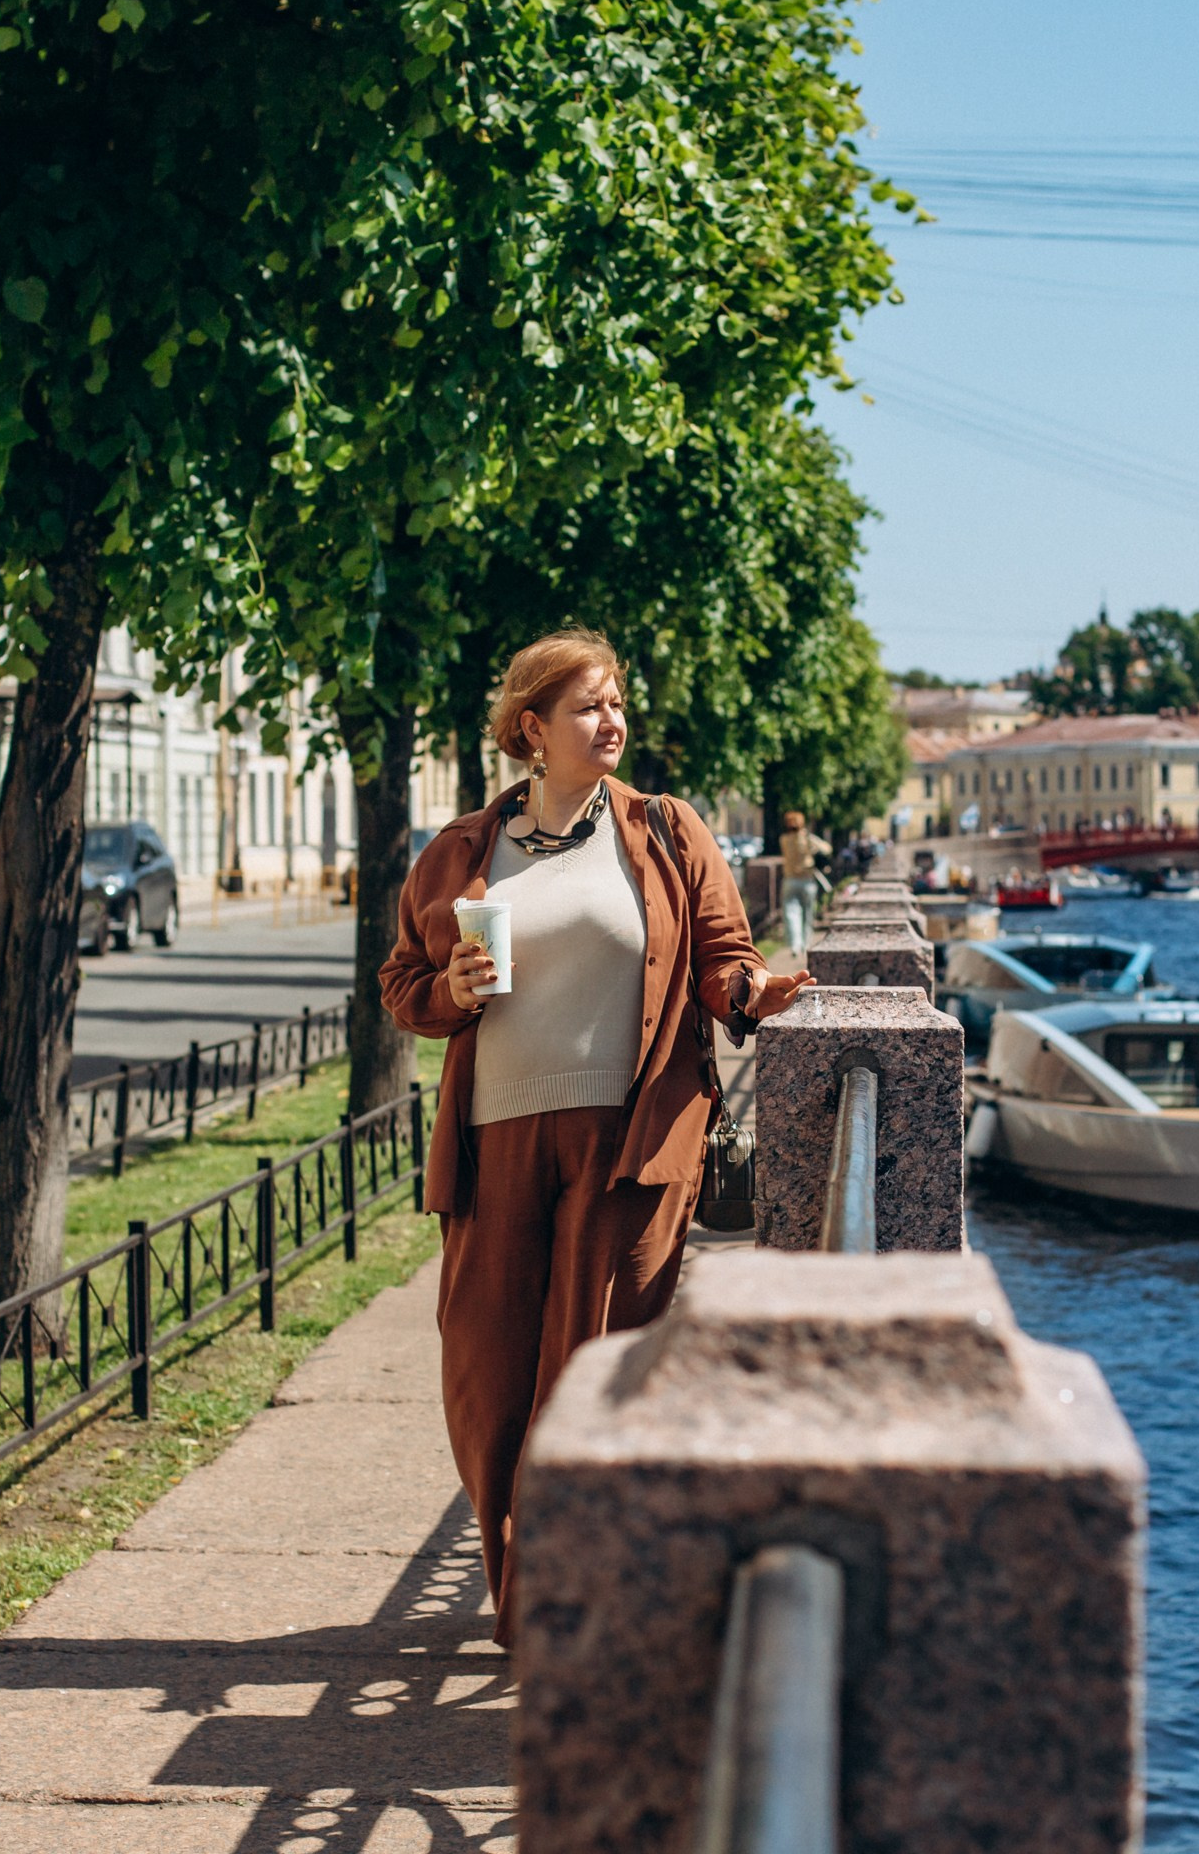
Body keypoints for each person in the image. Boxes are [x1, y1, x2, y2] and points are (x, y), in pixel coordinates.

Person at [378, 628, 814, 1646]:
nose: (612, 720)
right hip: (496, 1146)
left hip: (630, 1142)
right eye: (588, 706)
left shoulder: (663, 831)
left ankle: (562, 1606)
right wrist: (450, 988)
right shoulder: (459, 853)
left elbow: (722, 960)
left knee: (598, 1370)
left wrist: (757, 994)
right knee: (488, 1384)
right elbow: (403, 987)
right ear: (532, 729)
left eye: (618, 702)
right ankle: (525, 1580)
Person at [778, 808, 831, 954]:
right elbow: (827, 848)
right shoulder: (807, 838)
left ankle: (795, 944)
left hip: (789, 880)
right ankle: (806, 944)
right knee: (807, 914)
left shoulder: (783, 839)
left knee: (791, 913)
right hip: (807, 880)